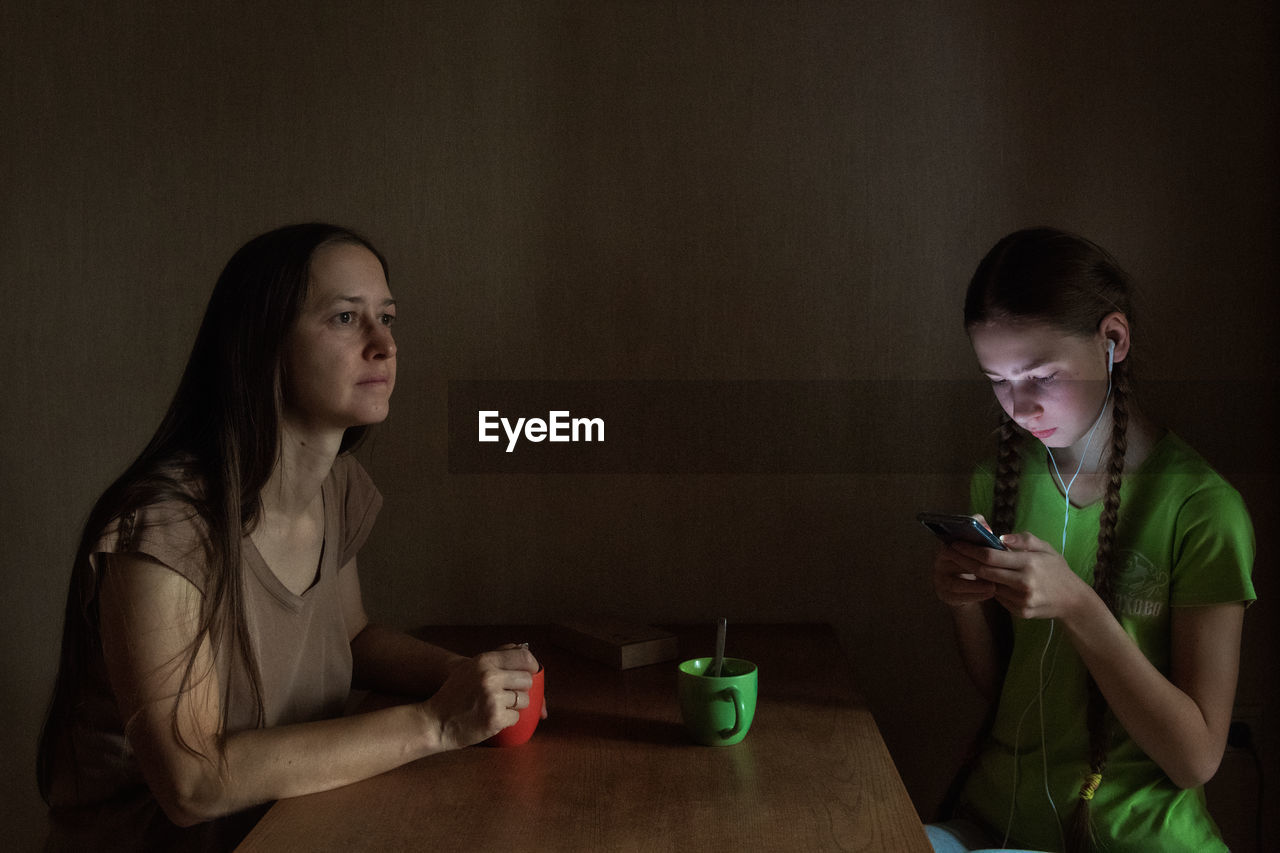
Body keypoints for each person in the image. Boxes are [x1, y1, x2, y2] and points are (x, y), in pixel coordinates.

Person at [37, 223, 542, 851]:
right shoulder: (164, 528)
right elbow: (192, 783)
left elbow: (351, 636)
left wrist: (473, 680)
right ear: (262, 346)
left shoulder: (337, 486)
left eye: (386, 317)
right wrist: (437, 723)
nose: (383, 344)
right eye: (344, 318)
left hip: (293, 826)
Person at [927, 228, 1255, 853]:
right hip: (996, 824)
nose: (1018, 406)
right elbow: (1008, 692)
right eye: (997, 379)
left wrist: (1077, 604)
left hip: (1140, 839)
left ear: (1113, 340)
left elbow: (1196, 760)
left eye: (1042, 375)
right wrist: (965, 606)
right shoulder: (997, 483)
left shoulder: (1202, 509)